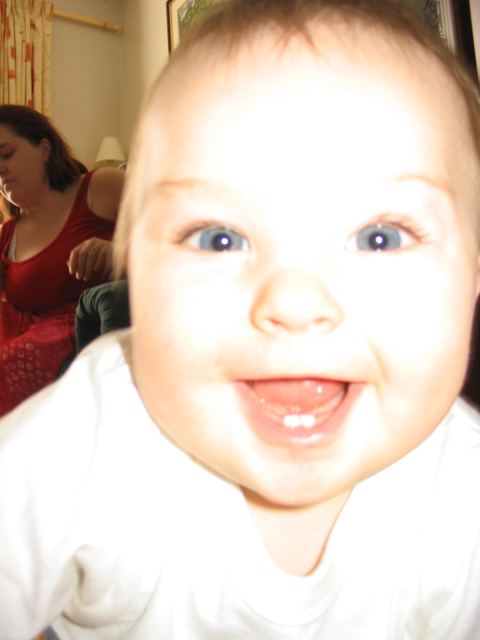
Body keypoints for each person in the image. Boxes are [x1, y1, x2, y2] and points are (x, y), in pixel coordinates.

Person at [1, 0, 480, 637]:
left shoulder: (461, 487)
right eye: (219, 238)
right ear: (136, 267)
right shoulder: (99, 429)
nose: (294, 303)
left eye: (381, 237)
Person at [0, 105, 124, 416]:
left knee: (15, 358)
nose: (0, 169)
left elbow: (173, 233)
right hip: (21, 336)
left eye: (6, 154)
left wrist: (118, 250)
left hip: (75, 334)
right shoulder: (8, 233)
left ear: (44, 149)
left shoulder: (102, 187)